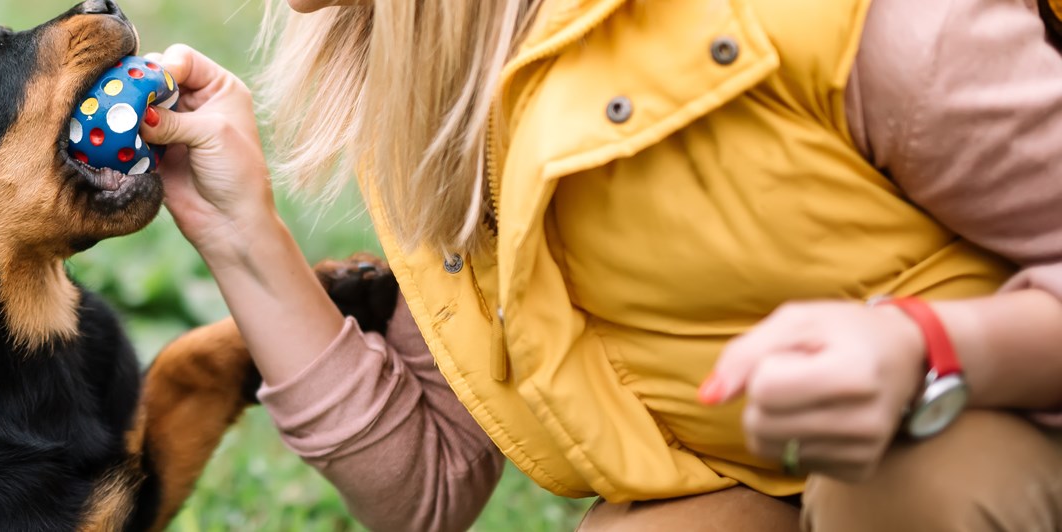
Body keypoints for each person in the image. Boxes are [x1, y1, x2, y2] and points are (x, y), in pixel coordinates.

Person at [136, 0, 1062, 529]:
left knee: (906, 480)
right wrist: (240, 232)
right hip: (761, 480)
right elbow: (427, 486)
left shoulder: (857, 21)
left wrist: (932, 344)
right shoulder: (431, 80)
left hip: (989, 443)